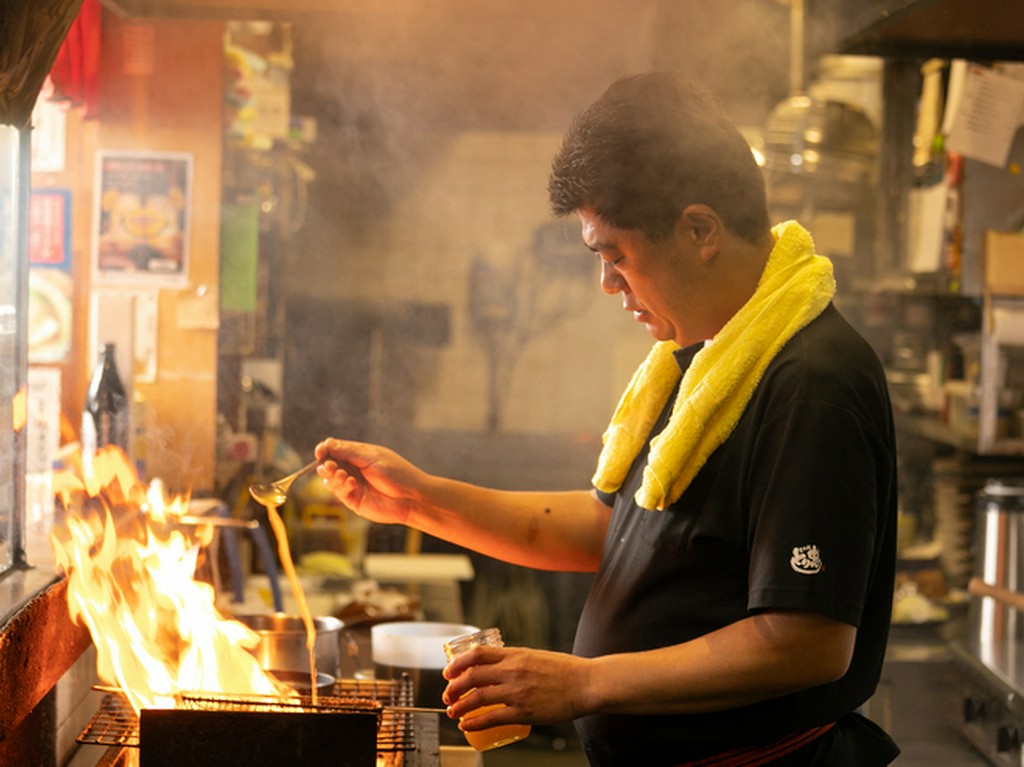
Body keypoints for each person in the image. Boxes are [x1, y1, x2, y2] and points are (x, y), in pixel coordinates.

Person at [316, 71, 899, 766]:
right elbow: (613, 529)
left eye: (616, 255)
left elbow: (807, 641)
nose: (607, 284)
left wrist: (585, 680)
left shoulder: (810, 380)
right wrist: (416, 499)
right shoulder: (710, 354)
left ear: (700, 229)